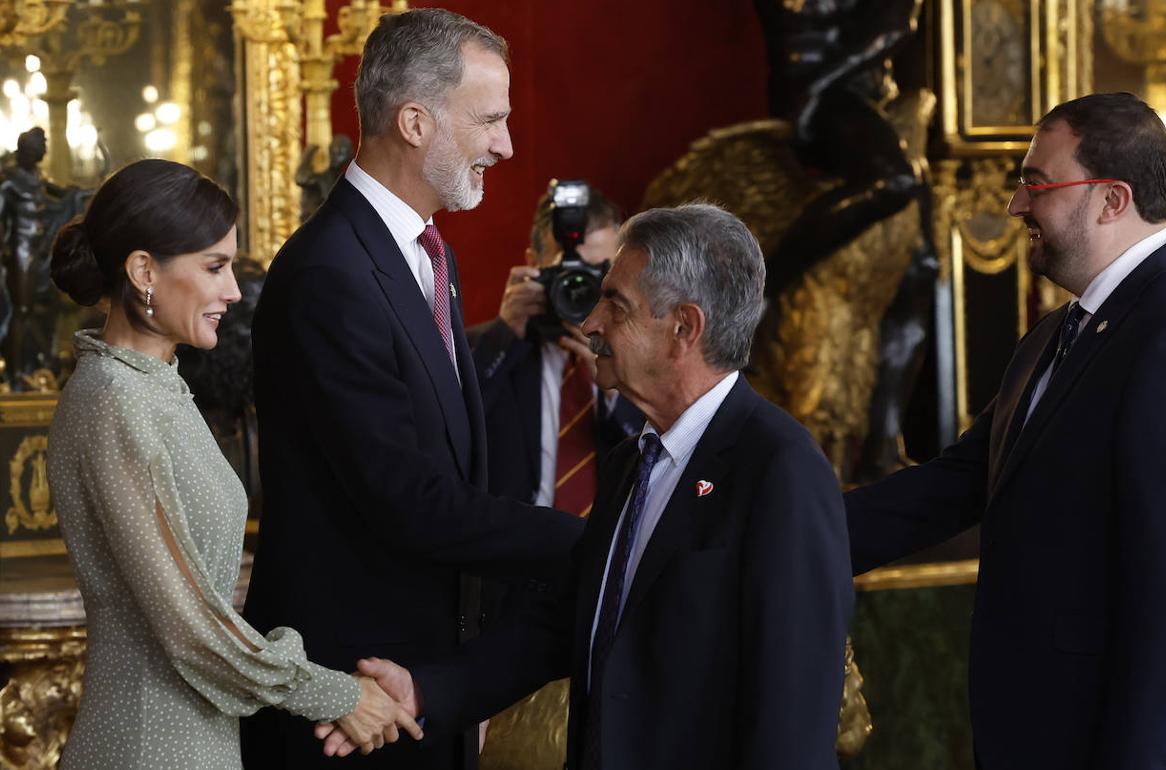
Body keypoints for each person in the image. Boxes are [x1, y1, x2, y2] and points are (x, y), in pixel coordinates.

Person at [324, 203, 856, 770]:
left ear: (683, 329)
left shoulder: (780, 470)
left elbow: (793, 717)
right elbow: (566, 622)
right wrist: (426, 690)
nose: (589, 322)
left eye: (616, 304)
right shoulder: (635, 460)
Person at [845, 92, 1166, 769]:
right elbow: (953, 486)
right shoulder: (1053, 336)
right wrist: (784, 528)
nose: (1014, 206)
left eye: (1037, 184)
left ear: (1111, 200)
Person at [240, 9, 584, 770]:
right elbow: (411, 501)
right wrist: (601, 540)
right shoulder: (330, 273)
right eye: (491, 120)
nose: (507, 144)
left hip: (423, 689)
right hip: (351, 703)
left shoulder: (429, 257)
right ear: (416, 121)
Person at [44, 159, 419, 770]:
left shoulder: (156, 384)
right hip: (146, 751)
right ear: (143, 271)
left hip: (194, 746)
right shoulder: (114, 400)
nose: (234, 291)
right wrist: (336, 693)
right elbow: (190, 631)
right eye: (214, 267)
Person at [469, 185, 642, 515]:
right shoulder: (480, 349)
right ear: (534, 264)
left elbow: (654, 457)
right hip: (513, 549)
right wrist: (504, 336)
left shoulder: (641, 356)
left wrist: (615, 386)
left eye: (596, 272)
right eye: (567, 271)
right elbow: (451, 433)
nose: (581, 286)